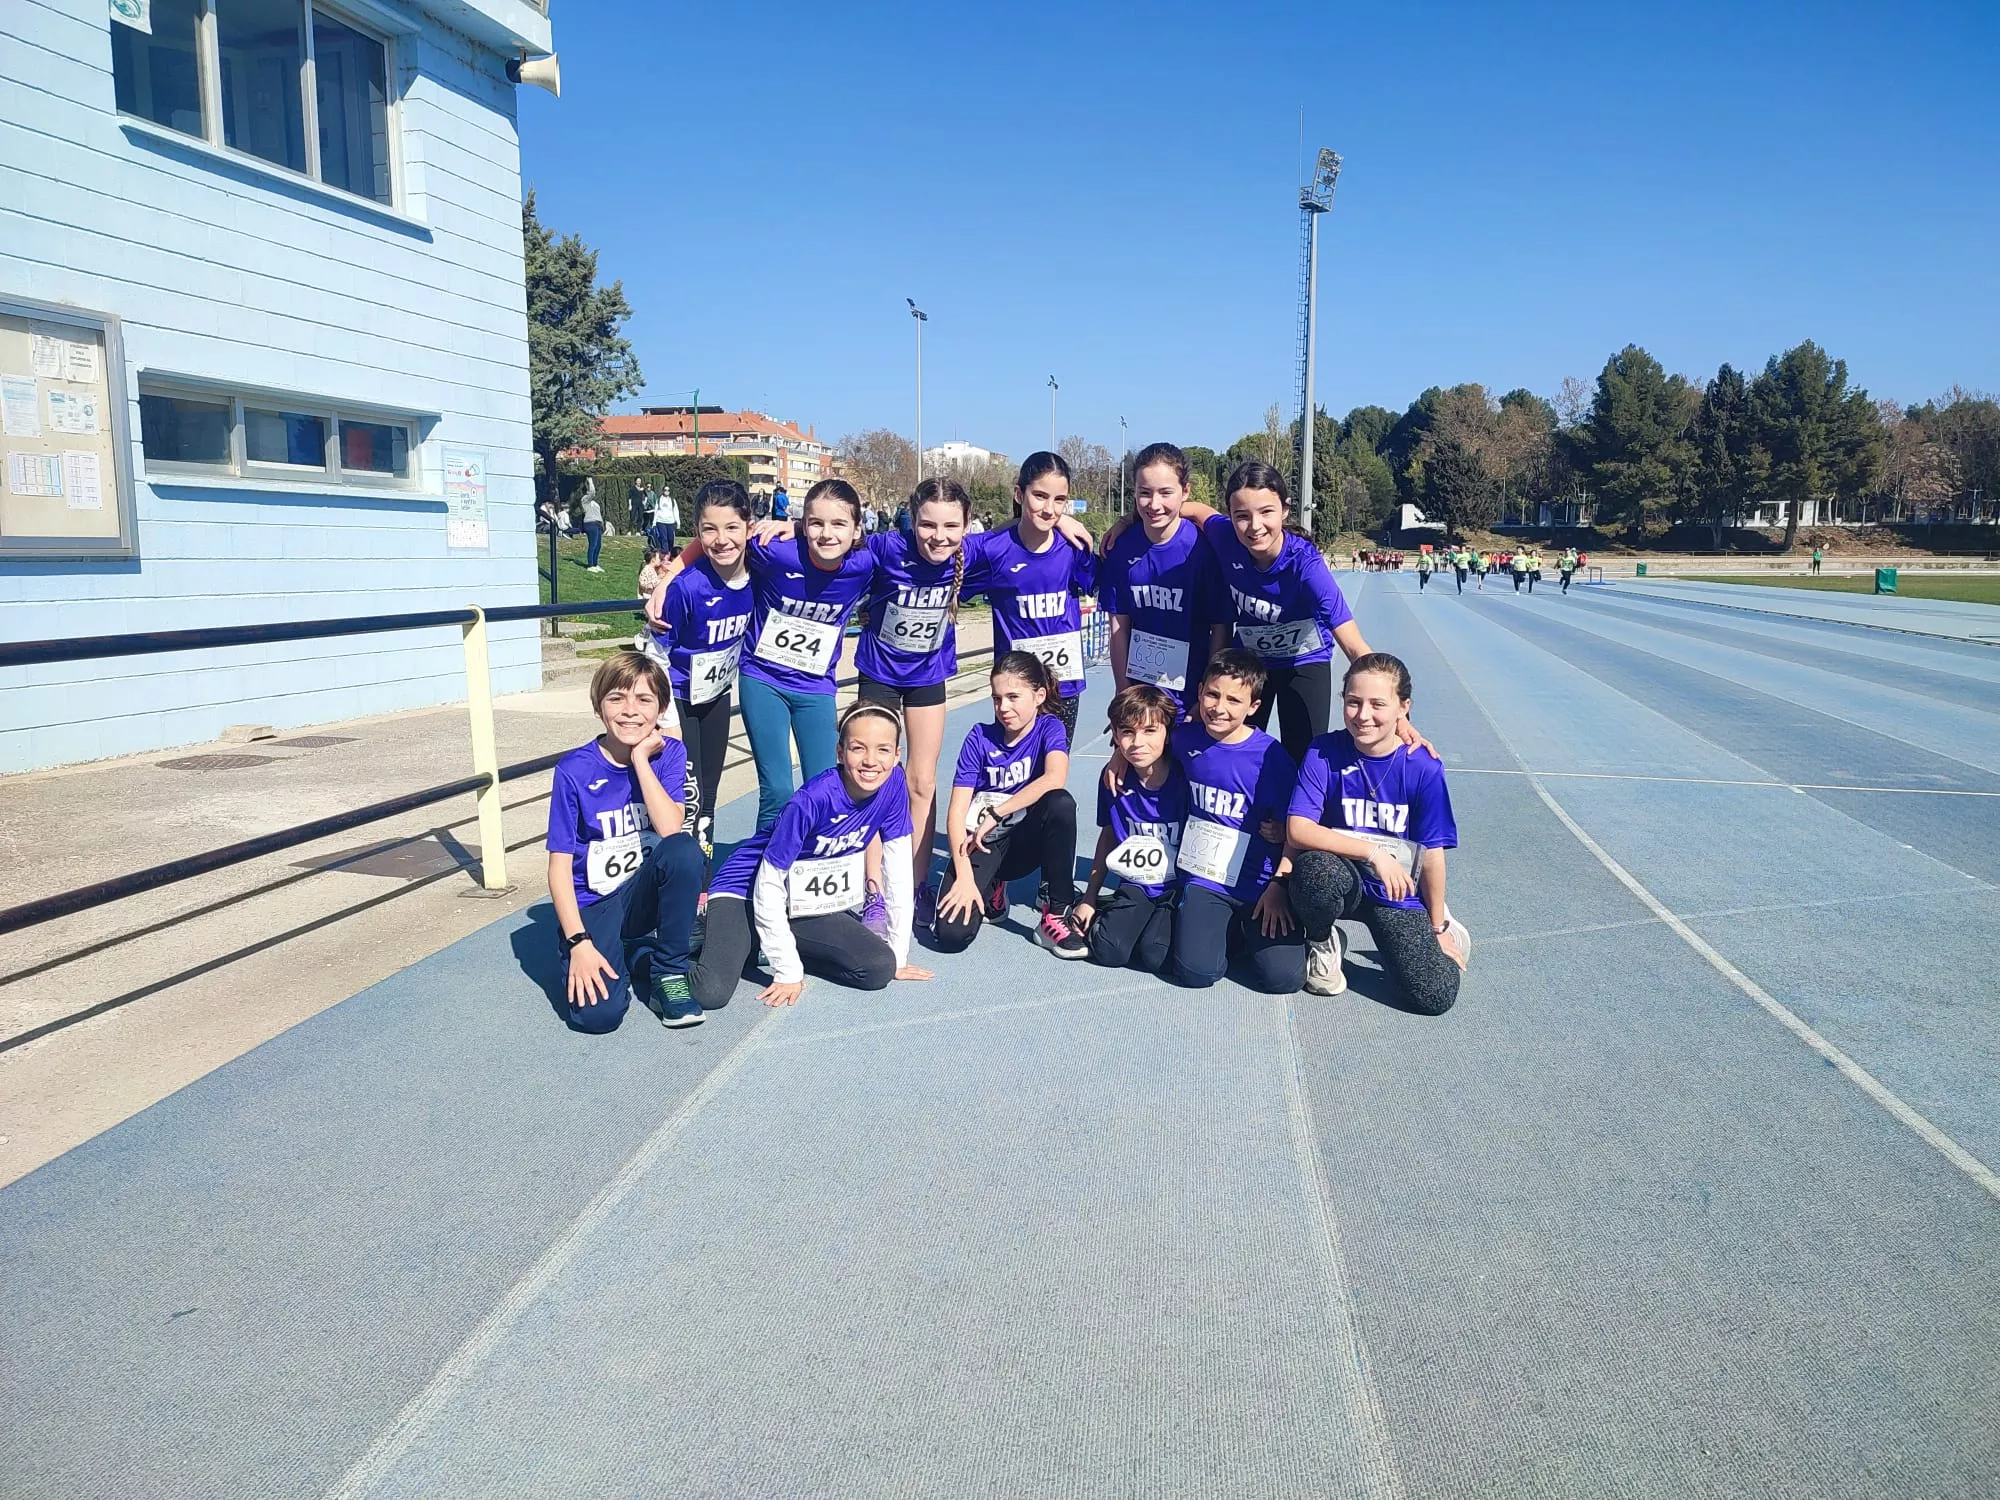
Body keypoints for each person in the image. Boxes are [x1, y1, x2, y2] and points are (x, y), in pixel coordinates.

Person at [693, 702, 932, 1008]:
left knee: (878, 968)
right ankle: (654, 957)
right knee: (711, 991)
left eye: (883, 750)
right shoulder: (811, 801)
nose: (871, 761)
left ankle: (758, 940)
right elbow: (767, 882)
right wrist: (787, 969)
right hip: (747, 891)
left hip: (803, 902)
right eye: (858, 748)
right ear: (840, 753)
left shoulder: (894, 783)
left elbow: (898, 870)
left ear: (897, 755)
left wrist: (899, 954)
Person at [1286, 653, 1468, 1013]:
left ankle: (1448, 926)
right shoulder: (1324, 751)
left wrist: (1436, 927)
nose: (1363, 715)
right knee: (1316, 873)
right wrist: (1373, 853)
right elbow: (1298, 829)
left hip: (1395, 889)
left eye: (1377, 704)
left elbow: (1432, 854)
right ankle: (1323, 941)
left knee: (1433, 997)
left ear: (1404, 708)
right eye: (1353, 702)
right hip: (1344, 878)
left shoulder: (1423, 768)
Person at [852, 476, 991, 926]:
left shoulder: (973, 554)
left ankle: (913, 885)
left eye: (951, 526)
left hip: (928, 678)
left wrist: (1068, 523)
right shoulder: (885, 548)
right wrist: (781, 528)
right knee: (874, 780)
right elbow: (825, 541)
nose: (939, 536)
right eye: (928, 524)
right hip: (879, 675)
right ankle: (875, 888)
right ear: (912, 519)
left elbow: (1027, 534)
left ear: (967, 525)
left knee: (921, 783)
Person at [546, 652, 707, 1031]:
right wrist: (579, 942)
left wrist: (639, 760)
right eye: (617, 698)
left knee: (685, 851)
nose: (630, 711)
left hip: (641, 893)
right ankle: (635, 954)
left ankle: (668, 971)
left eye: (644, 700)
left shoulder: (669, 754)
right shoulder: (573, 771)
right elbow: (558, 869)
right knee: (598, 1018)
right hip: (595, 904)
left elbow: (670, 830)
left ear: (661, 709)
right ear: (599, 707)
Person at [1165, 649, 1305, 993]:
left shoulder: (1272, 757)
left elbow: (1298, 830)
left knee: (1284, 979)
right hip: (1205, 878)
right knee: (1195, 973)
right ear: (1199, 692)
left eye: (1233, 700)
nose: (1219, 708)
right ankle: (1223, 931)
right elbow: (1144, 746)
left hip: (1260, 884)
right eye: (1212, 694)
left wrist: (1279, 885)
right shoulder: (1183, 740)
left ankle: (1309, 934)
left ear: (1253, 707)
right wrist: (1118, 760)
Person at [933, 652, 1087, 958]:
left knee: (1060, 804)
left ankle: (1055, 914)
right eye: (997, 698)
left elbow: (1056, 776)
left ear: (1039, 695)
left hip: (1024, 839)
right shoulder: (979, 737)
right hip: (983, 842)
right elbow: (955, 814)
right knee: (952, 934)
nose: (1003, 707)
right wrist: (964, 876)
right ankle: (992, 890)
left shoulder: (1049, 728)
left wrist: (998, 813)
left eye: (1013, 697)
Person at [646, 480, 756, 860]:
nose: (721, 539)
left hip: (716, 698)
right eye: (709, 529)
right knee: (686, 798)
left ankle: (703, 877)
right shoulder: (687, 588)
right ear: (696, 534)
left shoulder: (761, 573)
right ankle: (681, 885)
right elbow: (654, 652)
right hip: (678, 701)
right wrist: (666, 715)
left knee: (709, 795)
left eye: (731, 528)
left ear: (748, 529)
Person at [966, 452, 1098, 745]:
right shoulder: (993, 549)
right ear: (1019, 493)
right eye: (1040, 496)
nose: (1049, 509)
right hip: (1014, 690)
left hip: (1063, 685)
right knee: (1014, 776)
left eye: (1059, 500)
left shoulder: (1073, 547)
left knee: (1054, 777)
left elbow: (1105, 581)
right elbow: (943, 559)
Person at [1098, 442, 1229, 714]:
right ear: (1133, 492)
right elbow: (1118, 629)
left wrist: (1208, 693)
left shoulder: (1203, 550)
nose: (1154, 504)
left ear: (1185, 492)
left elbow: (1221, 627)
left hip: (1191, 700)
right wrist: (1124, 694)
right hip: (1141, 700)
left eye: (1165, 493)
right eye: (1144, 493)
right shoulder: (1120, 549)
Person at [1072, 683, 1186, 973]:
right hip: (1136, 883)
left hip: (1177, 888)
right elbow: (1108, 836)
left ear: (1168, 733)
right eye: (1127, 732)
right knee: (1109, 952)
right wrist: (1088, 898)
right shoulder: (1113, 781)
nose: (1137, 743)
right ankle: (1115, 916)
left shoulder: (1187, 778)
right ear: (1115, 736)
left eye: (1150, 731)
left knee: (1154, 956)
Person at [579, 478, 605, 572]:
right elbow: (592, 493)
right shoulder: (585, 500)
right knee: (593, 544)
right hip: (590, 523)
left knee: (598, 545)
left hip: (597, 524)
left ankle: (595, 563)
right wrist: (590, 481)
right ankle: (590, 565)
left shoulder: (594, 503)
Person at [649, 483, 679, 556]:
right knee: (664, 538)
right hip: (661, 521)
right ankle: (665, 553)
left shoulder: (672, 500)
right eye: (665, 490)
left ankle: (670, 551)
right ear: (663, 491)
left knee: (670, 538)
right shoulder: (659, 499)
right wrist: (654, 523)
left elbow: (676, 511)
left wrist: (678, 522)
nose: (667, 491)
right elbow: (656, 511)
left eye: (668, 490)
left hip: (670, 521)